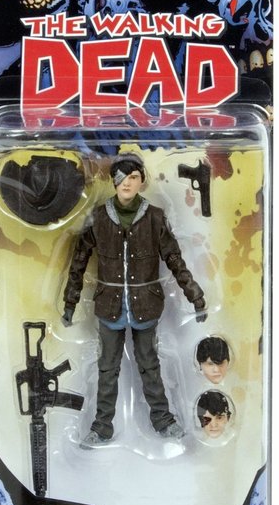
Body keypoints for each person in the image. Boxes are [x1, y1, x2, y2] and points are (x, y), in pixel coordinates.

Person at [62, 154, 206, 446]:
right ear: (113, 181)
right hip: (109, 306)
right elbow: (78, 262)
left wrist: (196, 297)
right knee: (107, 369)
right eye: (120, 178)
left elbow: (175, 260)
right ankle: (102, 426)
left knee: (150, 366)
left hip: (146, 305)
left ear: (142, 181)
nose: (126, 183)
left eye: (133, 178)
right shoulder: (98, 217)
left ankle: (163, 420)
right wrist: (69, 303)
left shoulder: (155, 217)